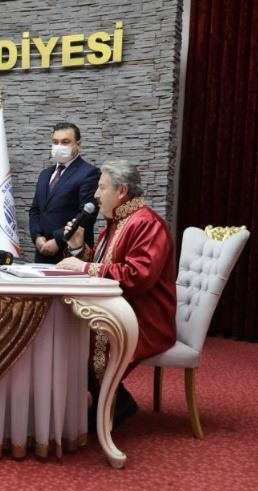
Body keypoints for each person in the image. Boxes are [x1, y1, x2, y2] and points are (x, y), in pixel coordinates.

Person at [57, 160, 176, 429]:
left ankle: (114, 404)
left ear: (121, 191)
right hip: (120, 309)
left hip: (145, 317)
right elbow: (103, 265)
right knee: (68, 331)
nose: (96, 194)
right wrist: (77, 249)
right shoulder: (117, 221)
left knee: (84, 337)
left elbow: (136, 276)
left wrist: (84, 267)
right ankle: (111, 399)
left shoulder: (146, 224)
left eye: (102, 187)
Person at [28, 122, 100, 263]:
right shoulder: (45, 174)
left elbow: (87, 215)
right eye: (55, 142)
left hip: (71, 253)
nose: (59, 146)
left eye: (65, 142)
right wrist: (37, 236)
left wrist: (58, 240)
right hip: (42, 253)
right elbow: (35, 210)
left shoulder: (89, 173)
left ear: (78, 145)